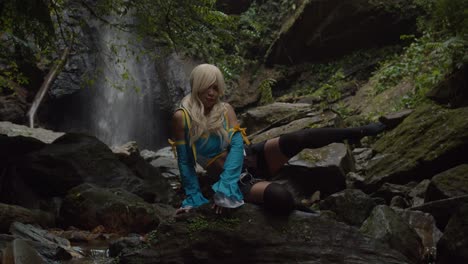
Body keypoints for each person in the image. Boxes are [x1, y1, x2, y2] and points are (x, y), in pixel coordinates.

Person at [170, 64, 386, 216]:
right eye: (207, 86)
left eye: (216, 87)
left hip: (249, 158)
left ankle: (359, 131)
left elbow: (237, 147)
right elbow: (186, 162)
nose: (212, 92)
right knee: (280, 197)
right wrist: (193, 200)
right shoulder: (183, 117)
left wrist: (225, 190)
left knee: (298, 138)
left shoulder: (225, 109)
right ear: (196, 85)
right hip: (239, 179)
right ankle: (302, 209)